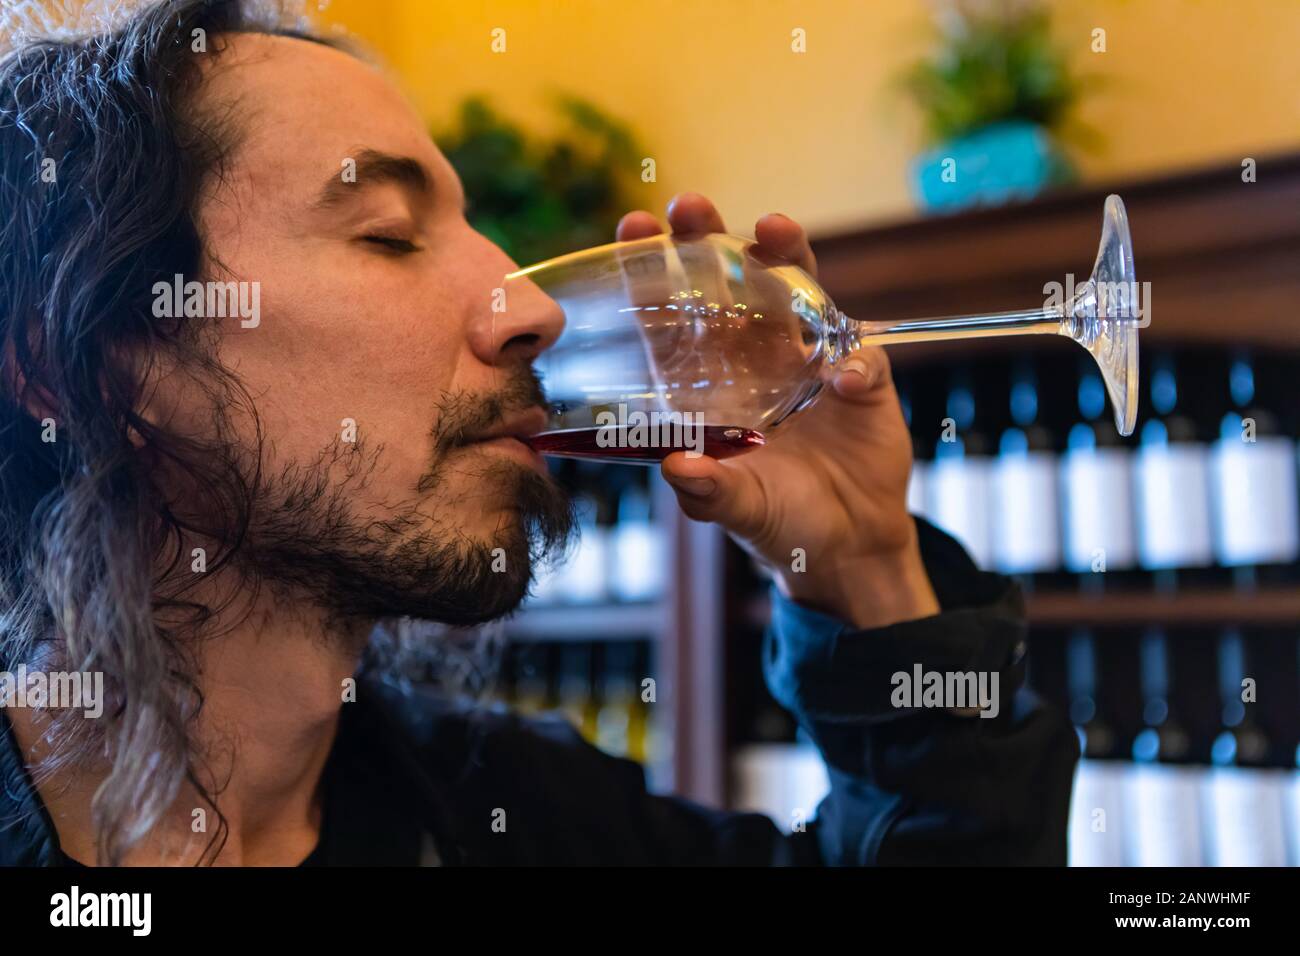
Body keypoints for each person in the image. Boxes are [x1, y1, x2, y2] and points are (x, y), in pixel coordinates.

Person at [0, 0, 1076, 866]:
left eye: (476, 228)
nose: (529, 305)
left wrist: (866, 569)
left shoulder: (517, 810)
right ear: (81, 359)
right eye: (386, 234)